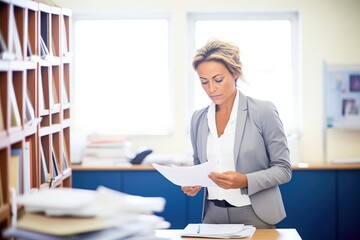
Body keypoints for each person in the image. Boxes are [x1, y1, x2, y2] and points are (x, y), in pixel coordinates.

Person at [181, 38, 292, 229]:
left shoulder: (263, 111)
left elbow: (283, 169)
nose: (211, 89)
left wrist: (245, 180)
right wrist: (193, 183)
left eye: (218, 80)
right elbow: (199, 165)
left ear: (235, 73)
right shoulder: (198, 118)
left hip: (256, 214)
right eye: (204, 82)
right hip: (212, 215)